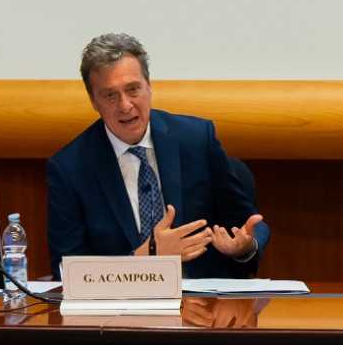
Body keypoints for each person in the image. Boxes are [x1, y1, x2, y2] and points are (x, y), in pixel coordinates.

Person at [47, 33, 268, 278]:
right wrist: (143, 258)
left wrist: (244, 247)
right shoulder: (70, 169)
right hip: (121, 300)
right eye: (110, 95)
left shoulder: (197, 140)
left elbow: (248, 225)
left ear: (149, 87)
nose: (125, 105)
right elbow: (66, 271)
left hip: (201, 296)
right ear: (93, 101)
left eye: (133, 89)